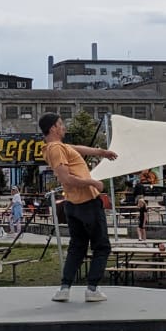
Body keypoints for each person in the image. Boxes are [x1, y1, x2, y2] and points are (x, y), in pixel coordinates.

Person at [40, 113, 118, 303]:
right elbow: (66, 178)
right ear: (53, 128)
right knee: (102, 246)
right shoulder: (56, 149)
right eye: (61, 124)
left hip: (72, 205)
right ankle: (92, 289)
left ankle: (65, 288)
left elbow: (78, 149)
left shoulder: (57, 147)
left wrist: (102, 153)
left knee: (77, 246)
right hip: (87, 203)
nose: (64, 127)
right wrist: (94, 182)